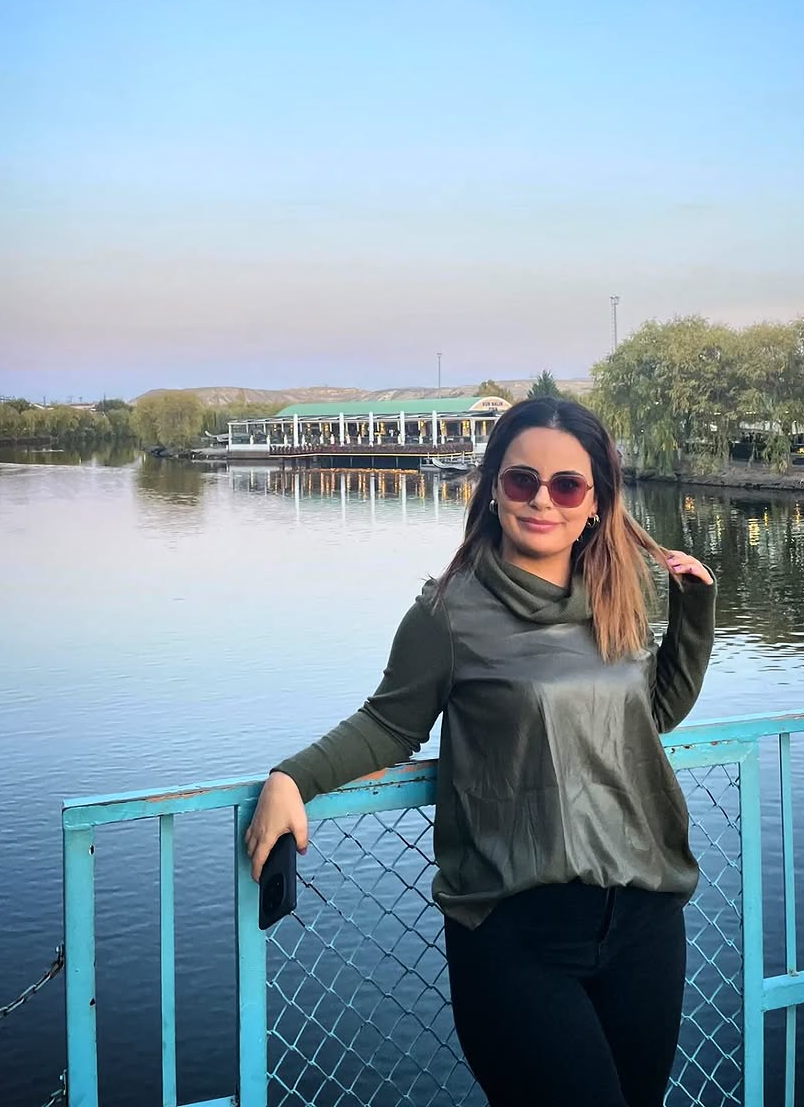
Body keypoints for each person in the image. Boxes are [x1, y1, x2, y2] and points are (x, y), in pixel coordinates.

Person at [246, 396, 715, 1107]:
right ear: (494, 487)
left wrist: (693, 612)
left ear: (595, 503)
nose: (542, 500)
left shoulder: (616, 596)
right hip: (516, 932)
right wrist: (293, 778)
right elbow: (389, 724)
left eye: (567, 486)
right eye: (523, 480)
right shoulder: (448, 613)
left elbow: (649, 717)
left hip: (644, 919)